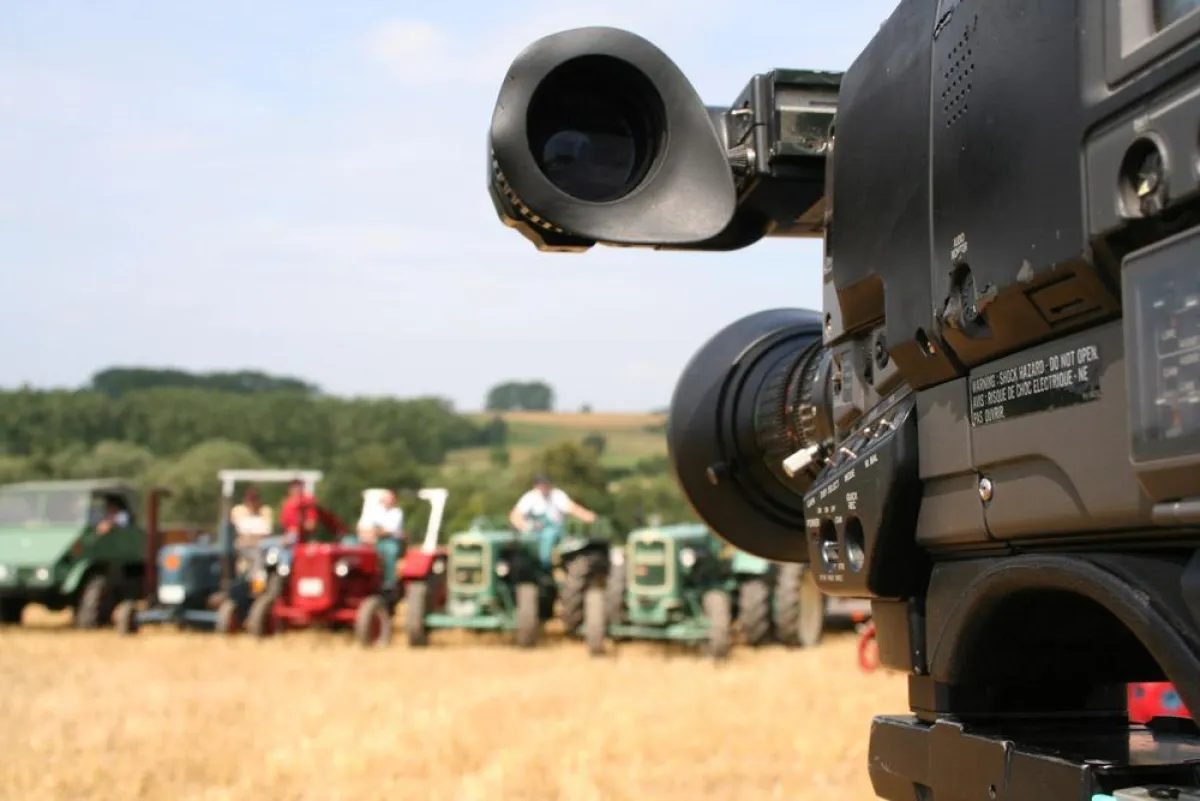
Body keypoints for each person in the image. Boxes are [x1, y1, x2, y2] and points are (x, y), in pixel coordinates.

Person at [508, 475, 597, 568]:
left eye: (546, 484)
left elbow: (572, 508)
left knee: (550, 535)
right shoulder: (530, 497)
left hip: (556, 530)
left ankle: (546, 564)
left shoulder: (557, 495)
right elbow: (516, 515)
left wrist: (586, 515)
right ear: (536, 486)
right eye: (541, 485)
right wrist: (524, 525)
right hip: (535, 531)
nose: (544, 487)